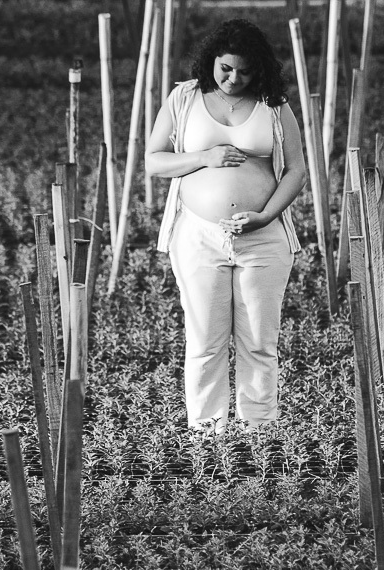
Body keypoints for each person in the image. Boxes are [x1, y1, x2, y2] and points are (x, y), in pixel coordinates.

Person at [145, 18, 306, 436]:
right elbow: (154, 160)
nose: (235, 79)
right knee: (204, 341)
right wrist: (204, 157)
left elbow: (295, 170)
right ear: (211, 62)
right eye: (226, 69)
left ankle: (258, 432)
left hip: (263, 238)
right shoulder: (185, 97)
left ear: (260, 69)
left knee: (258, 341)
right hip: (200, 235)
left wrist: (265, 215)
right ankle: (206, 436)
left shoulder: (274, 104)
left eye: (245, 71)